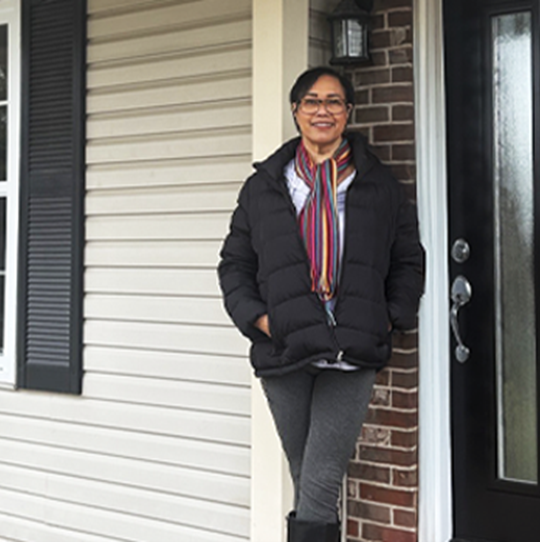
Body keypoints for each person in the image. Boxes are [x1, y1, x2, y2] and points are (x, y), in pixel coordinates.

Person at [218, 67, 425, 542]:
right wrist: (261, 320)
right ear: (296, 111)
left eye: (334, 101)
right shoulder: (264, 187)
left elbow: (408, 259)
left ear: (348, 112)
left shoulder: (379, 185)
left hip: (352, 350)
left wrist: (389, 318)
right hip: (285, 346)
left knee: (320, 479)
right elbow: (235, 264)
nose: (322, 111)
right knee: (305, 474)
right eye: (312, 101)